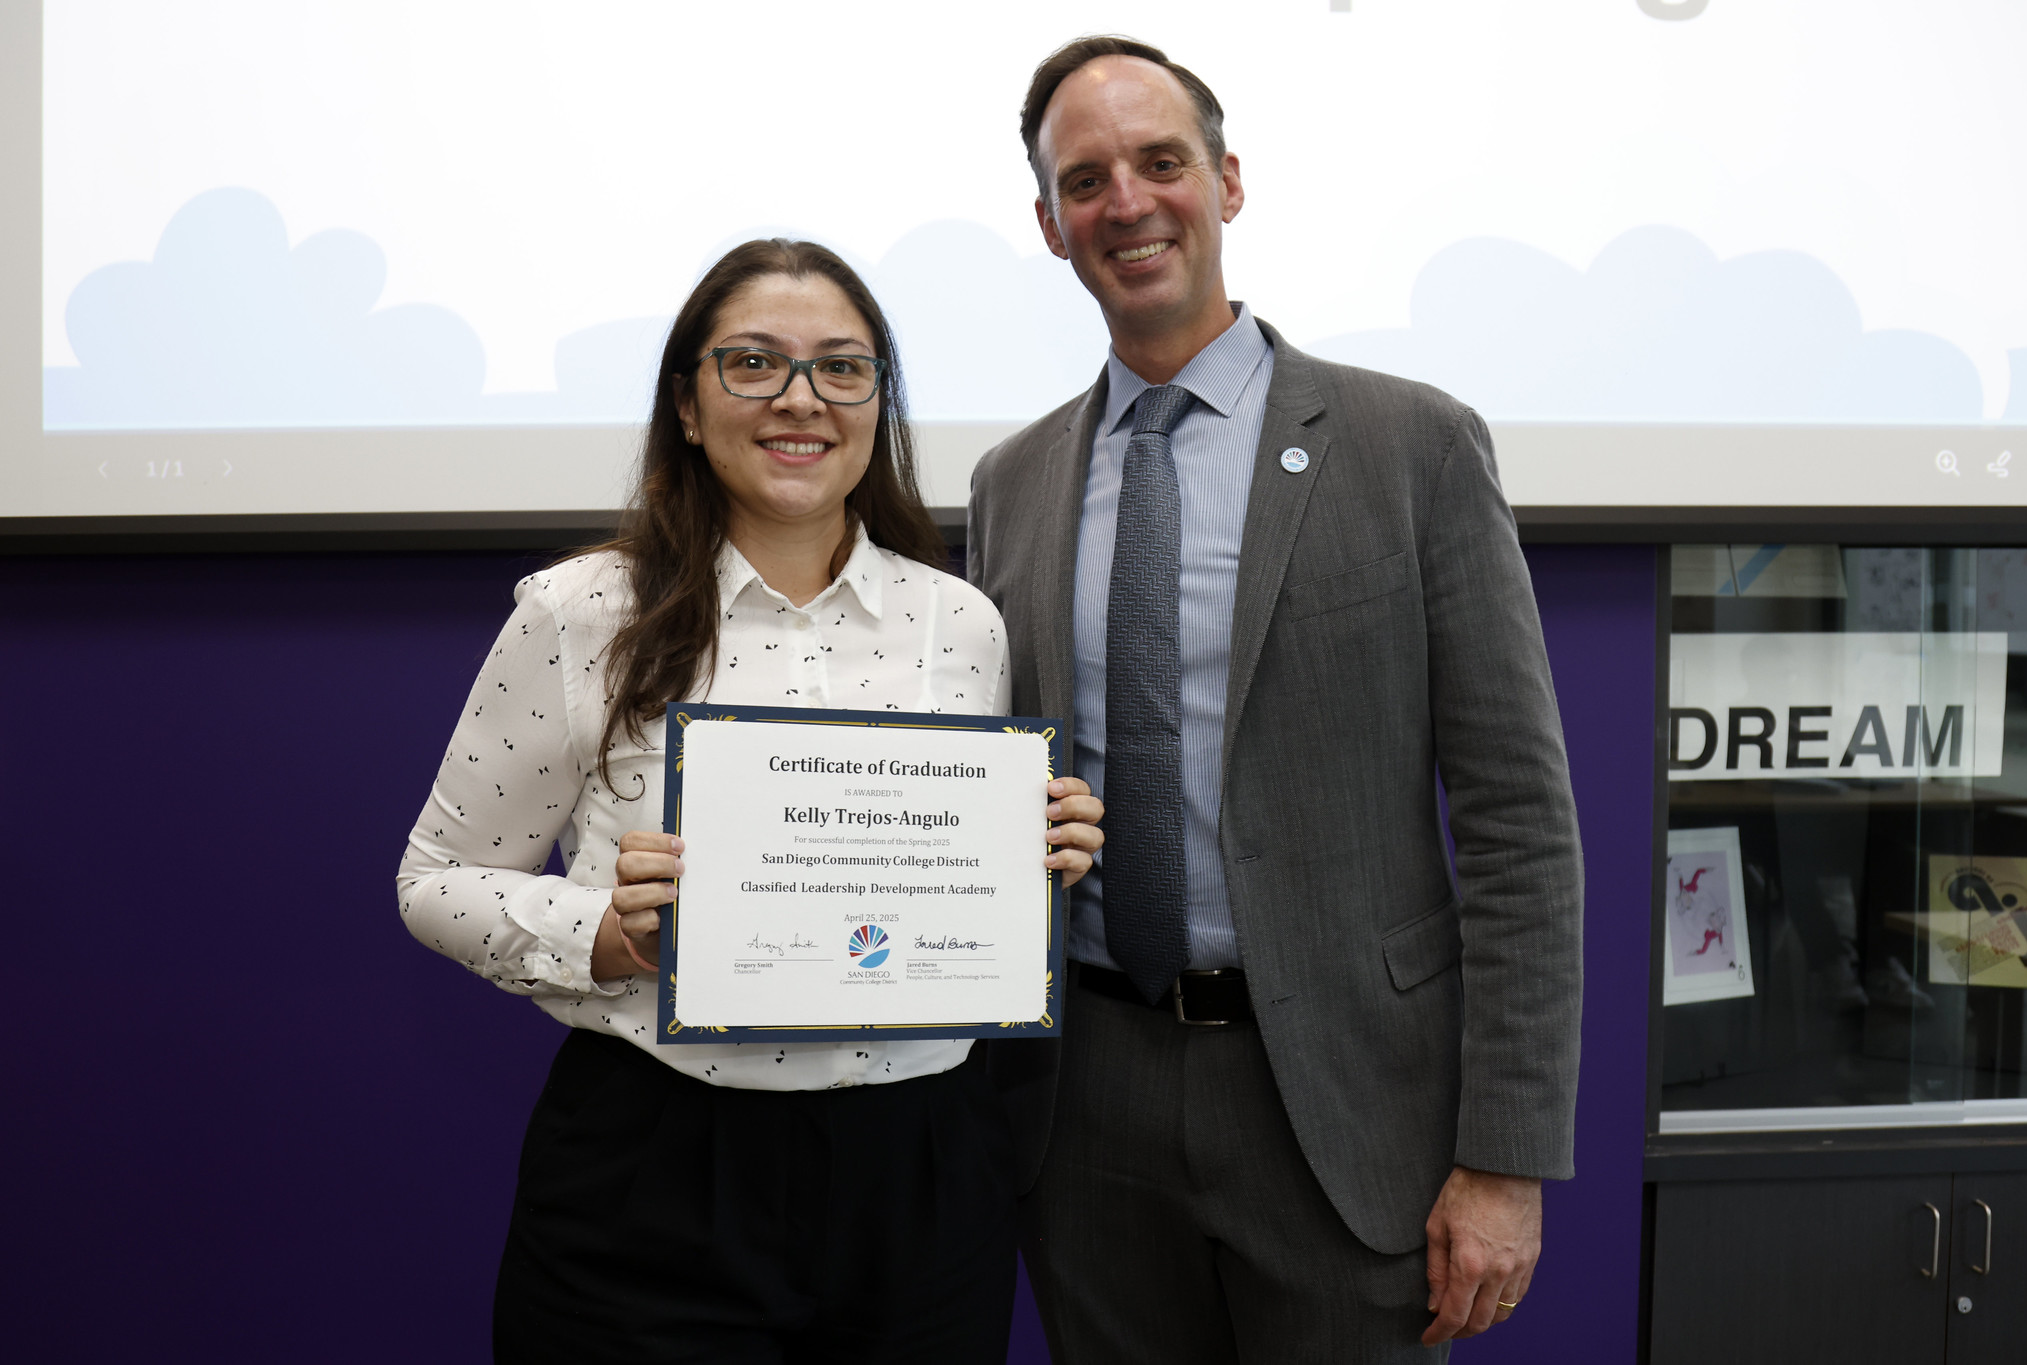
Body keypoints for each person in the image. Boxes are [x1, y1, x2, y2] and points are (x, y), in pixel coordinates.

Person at [966, 37, 1584, 1363]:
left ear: (1227, 182)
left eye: (1160, 162)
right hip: (1086, 1105)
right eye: (1085, 181)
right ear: (1051, 224)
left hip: (1345, 1105)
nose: (1127, 203)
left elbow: (1519, 824)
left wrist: (1505, 1156)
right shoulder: (1009, 485)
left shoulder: (1412, 445)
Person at [397, 238, 1105, 1364]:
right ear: (687, 404)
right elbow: (433, 880)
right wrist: (604, 933)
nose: (801, 399)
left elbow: (959, 870)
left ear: (877, 404)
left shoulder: (962, 621)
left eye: (841, 368)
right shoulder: (581, 613)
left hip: (923, 1173)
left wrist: (1043, 847)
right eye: (754, 363)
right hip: (656, 1167)